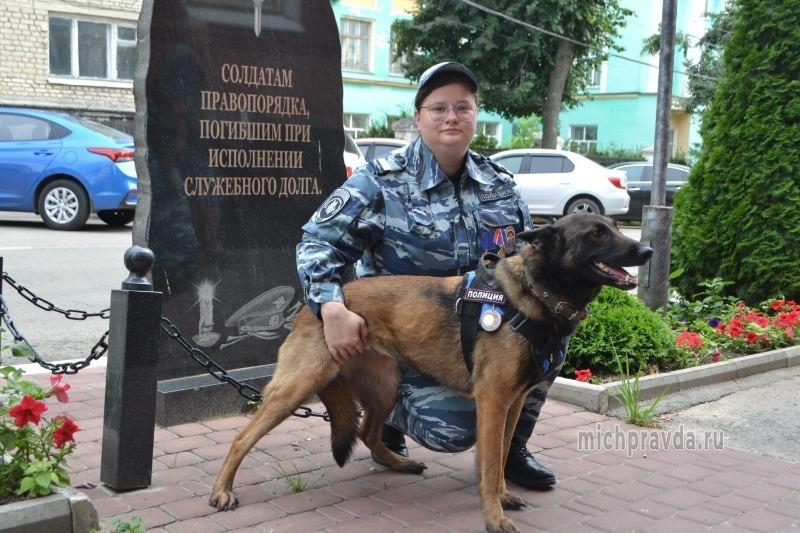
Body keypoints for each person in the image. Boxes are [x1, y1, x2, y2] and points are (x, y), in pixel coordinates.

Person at [296, 62, 561, 488]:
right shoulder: (380, 182)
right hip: (403, 338)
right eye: (438, 108)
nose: (451, 117)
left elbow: (524, 261)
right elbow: (317, 244)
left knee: (546, 345)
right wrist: (330, 306)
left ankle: (510, 451)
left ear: (476, 114)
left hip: (482, 335)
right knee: (452, 430)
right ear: (418, 117)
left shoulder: (499, 184)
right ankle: (386, 413)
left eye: (463, 107)